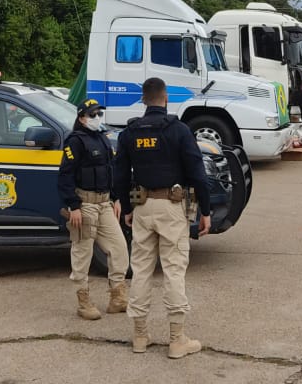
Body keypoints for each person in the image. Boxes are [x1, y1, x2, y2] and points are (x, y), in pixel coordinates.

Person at [114, 77, 213, 359]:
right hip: (172, 207)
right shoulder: (179, 130)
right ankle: (177, 340)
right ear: (166, 97)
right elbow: (197, 173)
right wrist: (205, 211)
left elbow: (119, 175)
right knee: (173, 270)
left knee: (141, 270)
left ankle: (140, 337)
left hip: (142, 207)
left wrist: (127, 208)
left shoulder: (130, 132)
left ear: (144, 99)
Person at [57, 98, 129, 321]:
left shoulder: (102, 138)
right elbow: (65, 176)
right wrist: (73, 206)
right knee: (82, 254)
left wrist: (116, 198)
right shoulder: (75, 141)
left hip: (105, 203)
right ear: (81, 118)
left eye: (99, 114)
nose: (97, 118)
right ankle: (84, 302)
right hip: (85, 204)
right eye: (92, 114)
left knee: (119, 249)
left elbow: (110, 171)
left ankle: (117, 298)